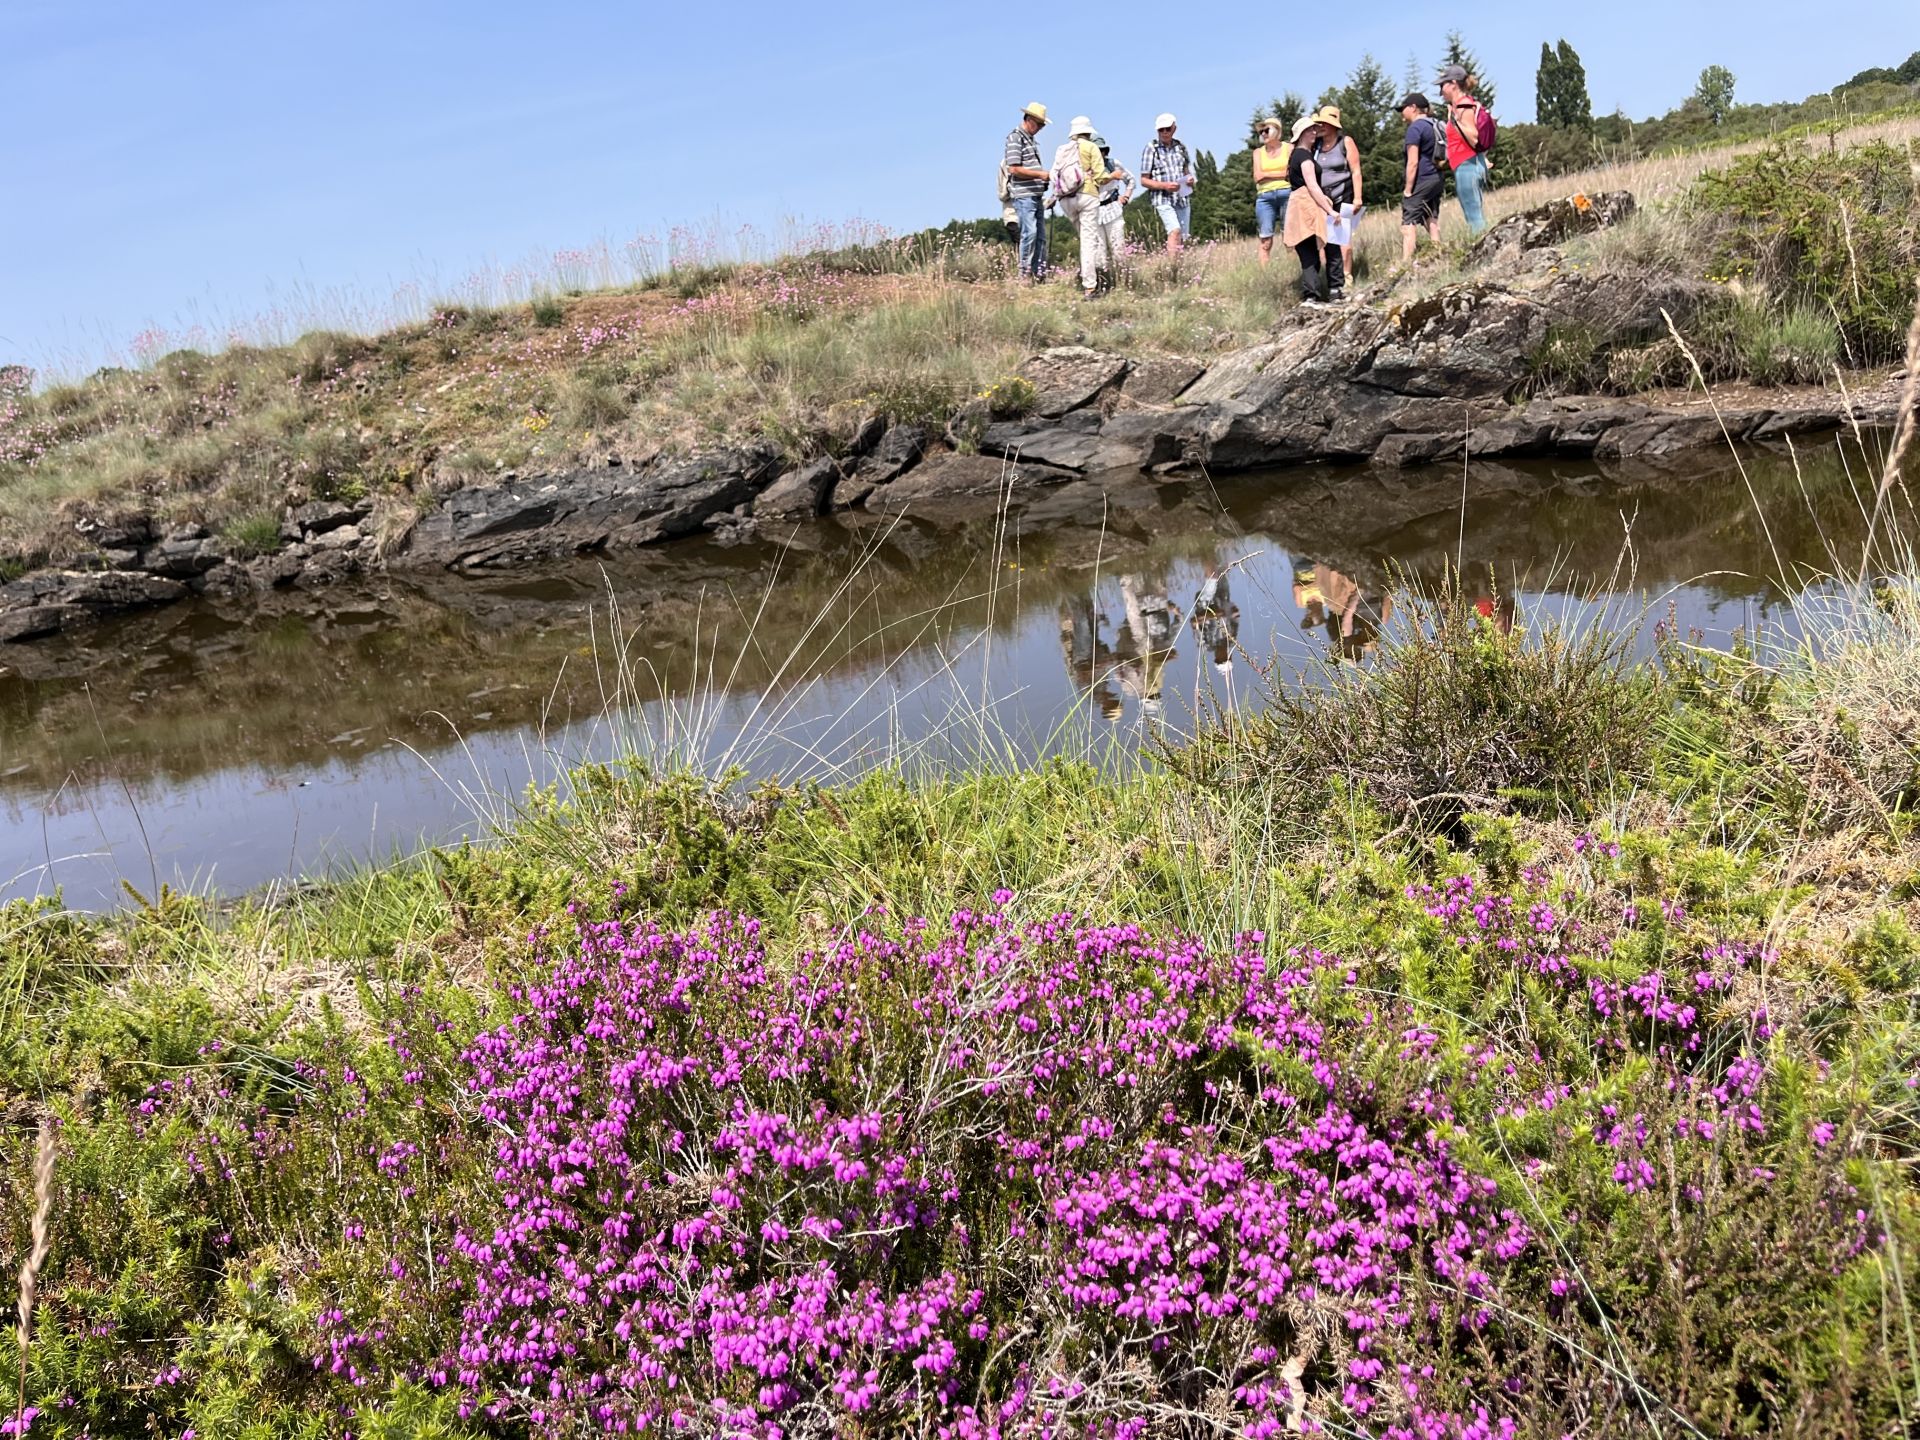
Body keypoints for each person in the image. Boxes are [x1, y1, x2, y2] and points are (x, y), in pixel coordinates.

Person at [1055, 117, 1116, 302]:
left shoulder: (1061, 150)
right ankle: (1090, 286)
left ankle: (1090, 275)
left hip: (1066, 199)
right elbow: (1100, 176)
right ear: (1088, 132)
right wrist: (1114, 175)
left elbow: (1053, 175)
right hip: (1087, 195)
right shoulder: (1091, 147)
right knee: (1088, 242)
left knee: (1084, 238)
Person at [1308, 106, 1361, 301]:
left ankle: (1346, 277)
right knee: (1325, 241)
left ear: (1332, 125)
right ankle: (1330, 278)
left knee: (1343, 240)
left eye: (1323, 123)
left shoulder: (1345, 142)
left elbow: (1356, 170)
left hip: (1344, 195)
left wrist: (1358, 197)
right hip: (1323, 201)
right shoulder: (1316, 147)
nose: (1320, 127)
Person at [1438, 65, 1495, 236]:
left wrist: (1454, 121)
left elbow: (1474, 137)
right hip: (1467, 164)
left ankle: (1485, 250)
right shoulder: (1461, 106)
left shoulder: (1463, 106)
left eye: (1442, 85)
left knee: (1474, 216)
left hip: (1468, 165)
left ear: (1453, 84)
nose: (1441, 91)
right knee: (1472, 212)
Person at [1003, 102, 1053, 280]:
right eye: (1039, 124)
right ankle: (1025, 274)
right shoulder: (1016, 138)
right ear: (1029, 120)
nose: (1040, 128)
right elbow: (1014, 169)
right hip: (1024, 195)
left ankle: (1038, 273)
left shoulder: (1029, 139)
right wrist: (1040, 175)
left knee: (1039, 235)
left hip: (1034, 194)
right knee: (1030, 233)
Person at [1139, 114, 1196, 256]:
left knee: (1183, 237)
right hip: (1162, 198)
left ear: (1174, 129)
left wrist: (1190, 180)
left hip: (1182, 197)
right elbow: (1144, 180)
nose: (1164, 132)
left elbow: (1187, 172)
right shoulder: (1151, 148)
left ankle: (1179, 267)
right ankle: (1173, 269)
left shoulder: (1181, 147)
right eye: (1161, 130)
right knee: (1174, 230)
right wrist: (1164, 186)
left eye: (1167, 129)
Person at [1397, 92, 1444, 261]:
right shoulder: (1435, 124)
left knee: (1408, 221)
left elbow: (1413, 162)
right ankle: (1438, 253)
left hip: (1422, 179)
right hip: (1437, 177)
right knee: (1431, 217)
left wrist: (1408, 190)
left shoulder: (1415, 128)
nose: (1401, 113)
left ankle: (1405, 264)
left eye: (1403, 109)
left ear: (1413, 108)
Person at [1091, 132, 1133, 295]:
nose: (1100, 154)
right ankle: (1104, 285)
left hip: (1112, 210)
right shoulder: (1086, 168)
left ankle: (1125, 284)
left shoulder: (1114, 164)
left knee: (1118, 249)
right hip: (1094, 212)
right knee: (1098, 254)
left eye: (1101, 150)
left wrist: (1126, 197)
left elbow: (1131, 180)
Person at [1251, 118, 1292, 267]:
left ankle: (1293, 270)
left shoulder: (1289, 148)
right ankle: (1264, 274)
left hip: (1287, 194)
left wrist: (1267, 175)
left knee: (1289, 237)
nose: (1263, 134)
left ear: (1277, 131)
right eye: (1261, 131)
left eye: (1266, 130)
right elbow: (1257, 176)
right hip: (1264, 198)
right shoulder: (1258, 153)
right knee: (1265, 239)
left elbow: (1290, 173)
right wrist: (1280, 173)